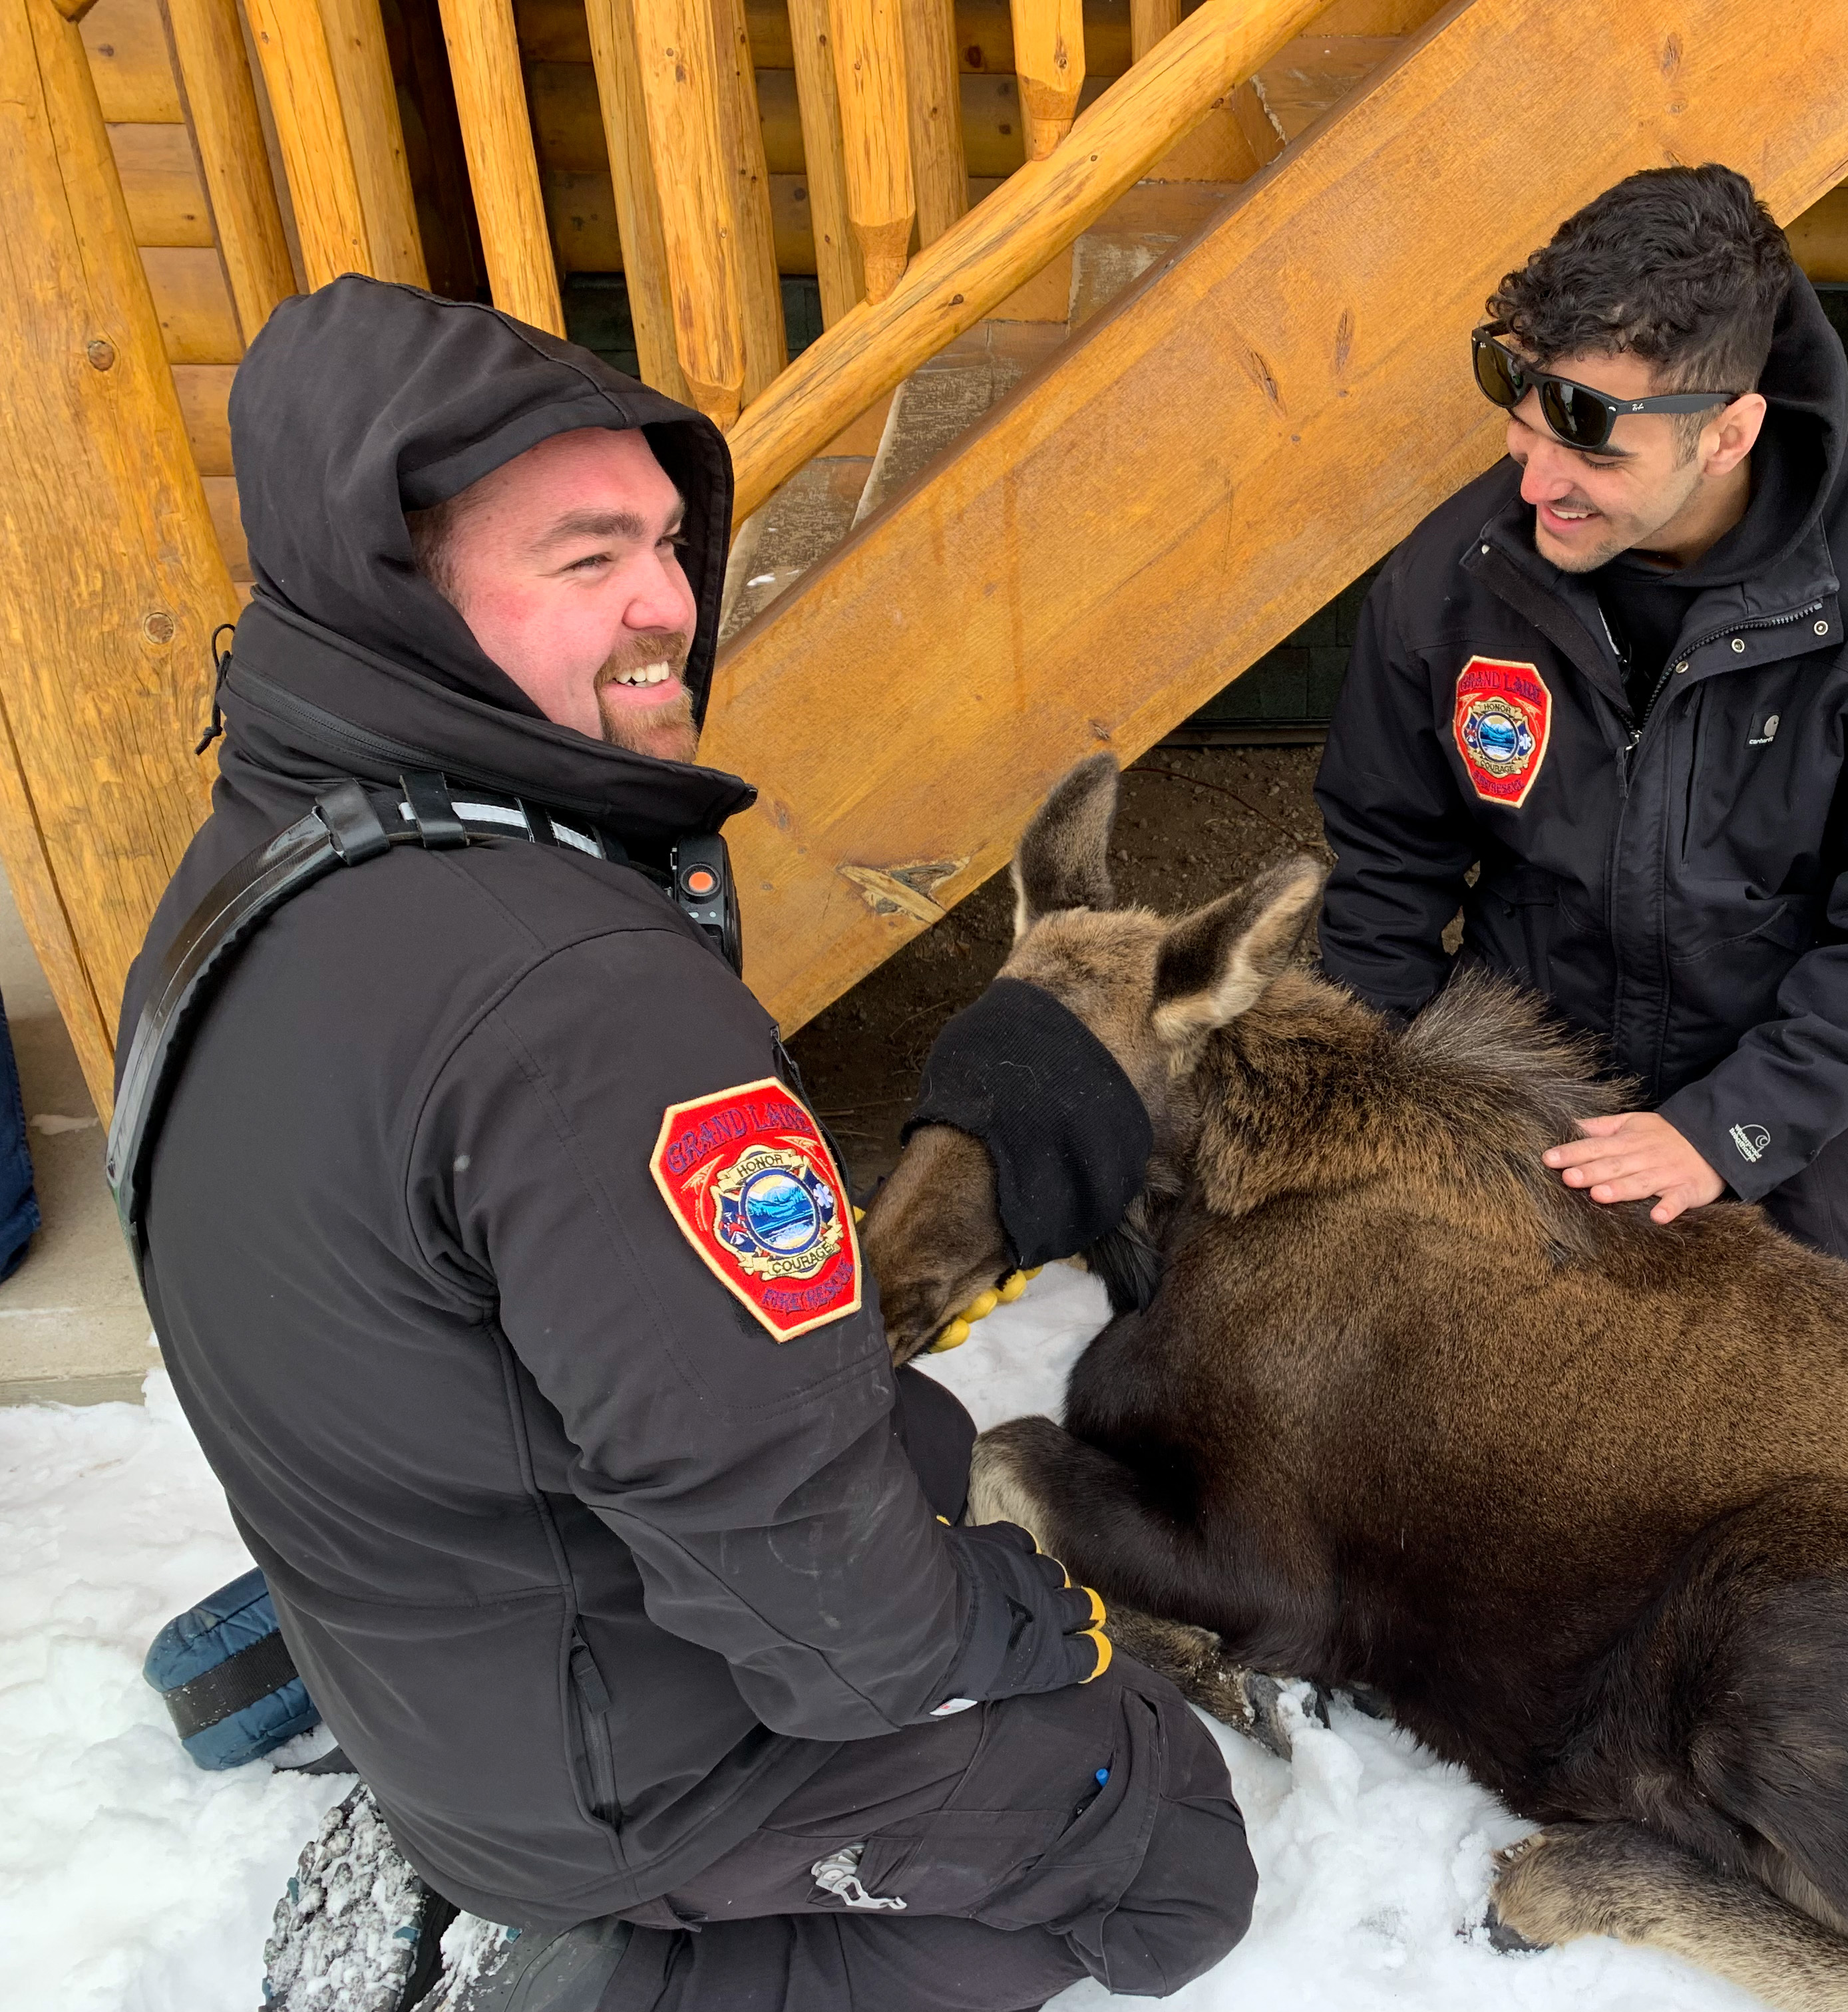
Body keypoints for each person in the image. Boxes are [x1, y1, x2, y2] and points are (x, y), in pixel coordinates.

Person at [118, 277, 1253, 2012]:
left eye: (664, 543)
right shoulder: (584, 1013)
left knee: (918, 1461)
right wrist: (1054, 1621)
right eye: (584, 561)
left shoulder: (253, 872)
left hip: (440, 1668)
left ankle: (536, 1861)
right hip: (624, 1762)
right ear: (402, 588)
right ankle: (617, 1968)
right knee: (1164, 1833)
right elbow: (836, 1626)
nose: (667, 604)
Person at [1314, 166, 1848, 1279]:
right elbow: (1384, 863)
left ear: (1731, 432)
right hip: (1507, 1048)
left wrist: (1728, 1129)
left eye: (1593, 445)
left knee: (1829, 1393)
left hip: (1768, 1073)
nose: (1536, 476)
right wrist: (1391, 1096)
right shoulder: (1449, 583)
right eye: (1525, 410)